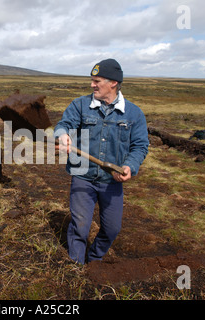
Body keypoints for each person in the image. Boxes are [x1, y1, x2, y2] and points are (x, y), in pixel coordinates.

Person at [54, 58, 149, 264]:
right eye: (92, 80)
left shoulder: (133, 113)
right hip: (83, 176)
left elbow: (140, 146)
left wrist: (130, 166)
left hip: (111, 180)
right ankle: (76, 266)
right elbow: (64, 124)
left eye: (97, 81)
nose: (92, 85)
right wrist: (63, 135)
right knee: (80, 226)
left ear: (113, 83)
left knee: (112, 229)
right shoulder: (80, 105)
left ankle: (95, 261)